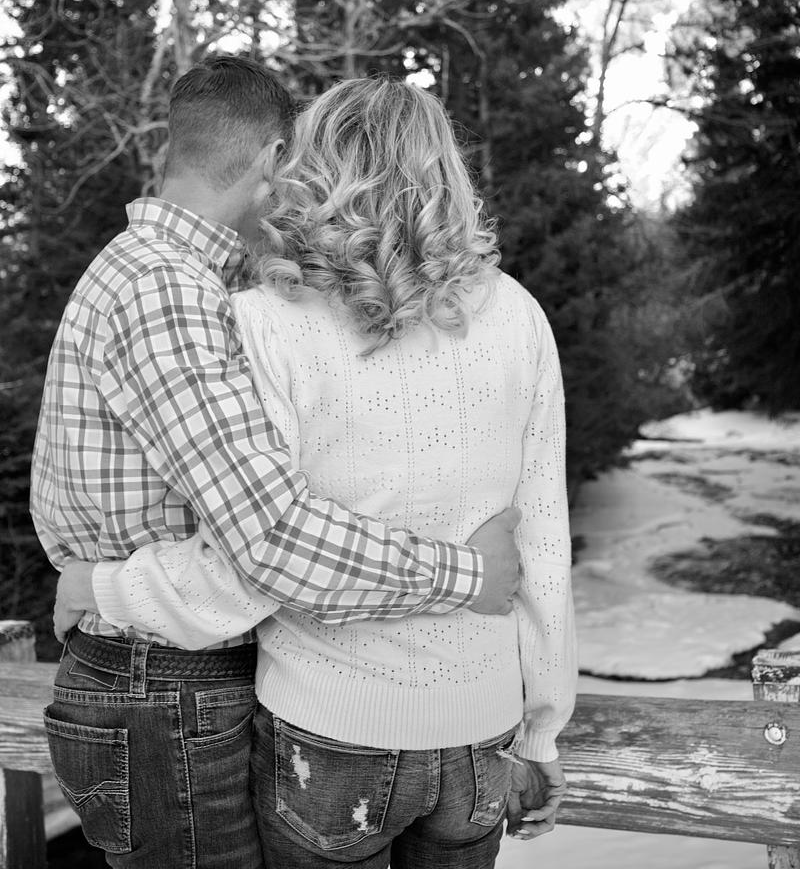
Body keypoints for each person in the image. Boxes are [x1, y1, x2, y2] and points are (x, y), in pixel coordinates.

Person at [56, 77, 577, 869]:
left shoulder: (267, 320)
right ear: (445, 167)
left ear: (318, 169)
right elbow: (542, 542)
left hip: (326, 733)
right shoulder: (518, 315)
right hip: (480, 731)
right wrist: (542, 729)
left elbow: (255, 561)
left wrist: (104, 588)